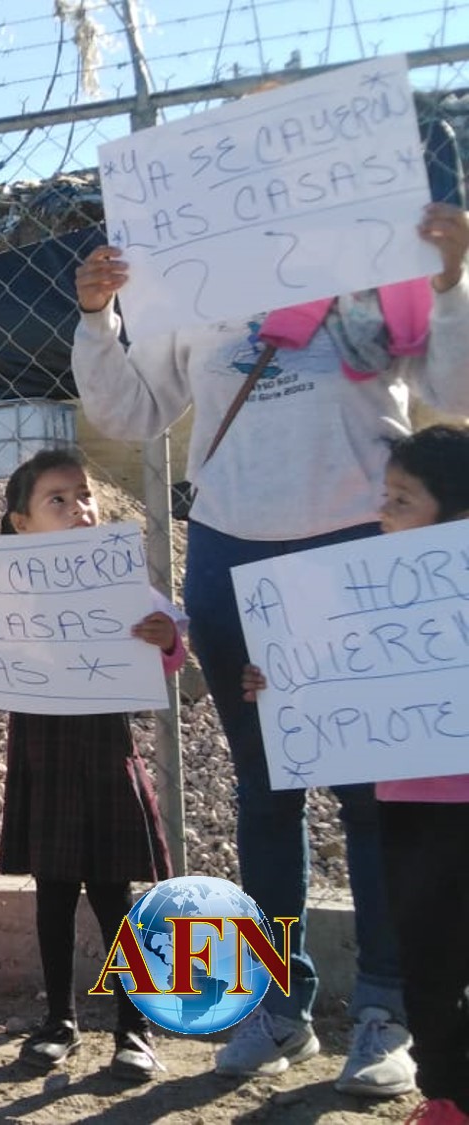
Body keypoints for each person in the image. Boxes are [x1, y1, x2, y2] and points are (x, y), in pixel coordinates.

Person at [72, 200, 469, 1091]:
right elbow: (133, 409)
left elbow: (457, 392)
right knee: (265, 790)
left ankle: (385, 1010)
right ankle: (279, 1010)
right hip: (231, 553)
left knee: (376, 797)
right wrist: (98, 316)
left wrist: (451, 283)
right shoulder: (188, 285)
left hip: (364, 555)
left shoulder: (375, 265)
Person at [0, 448, 183, 1081]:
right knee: (52, 896)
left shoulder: (121, 580)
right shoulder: (2, 588)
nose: (80, 508)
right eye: (59, 499)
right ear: (19, 523)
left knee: (115, 899)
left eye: (85, 496)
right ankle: (60, 1020)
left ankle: (134, 1029)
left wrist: (166, 640)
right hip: (43, 761)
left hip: (107, 758)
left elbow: (170, 659)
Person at [242, 424, 469, 1122]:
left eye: (403, 499)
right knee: (426, 960)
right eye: (386, 496)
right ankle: (449, 1095)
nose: (384, 512)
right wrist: (275, 679)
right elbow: (329, 674)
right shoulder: (364, 590)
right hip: (404, 801)